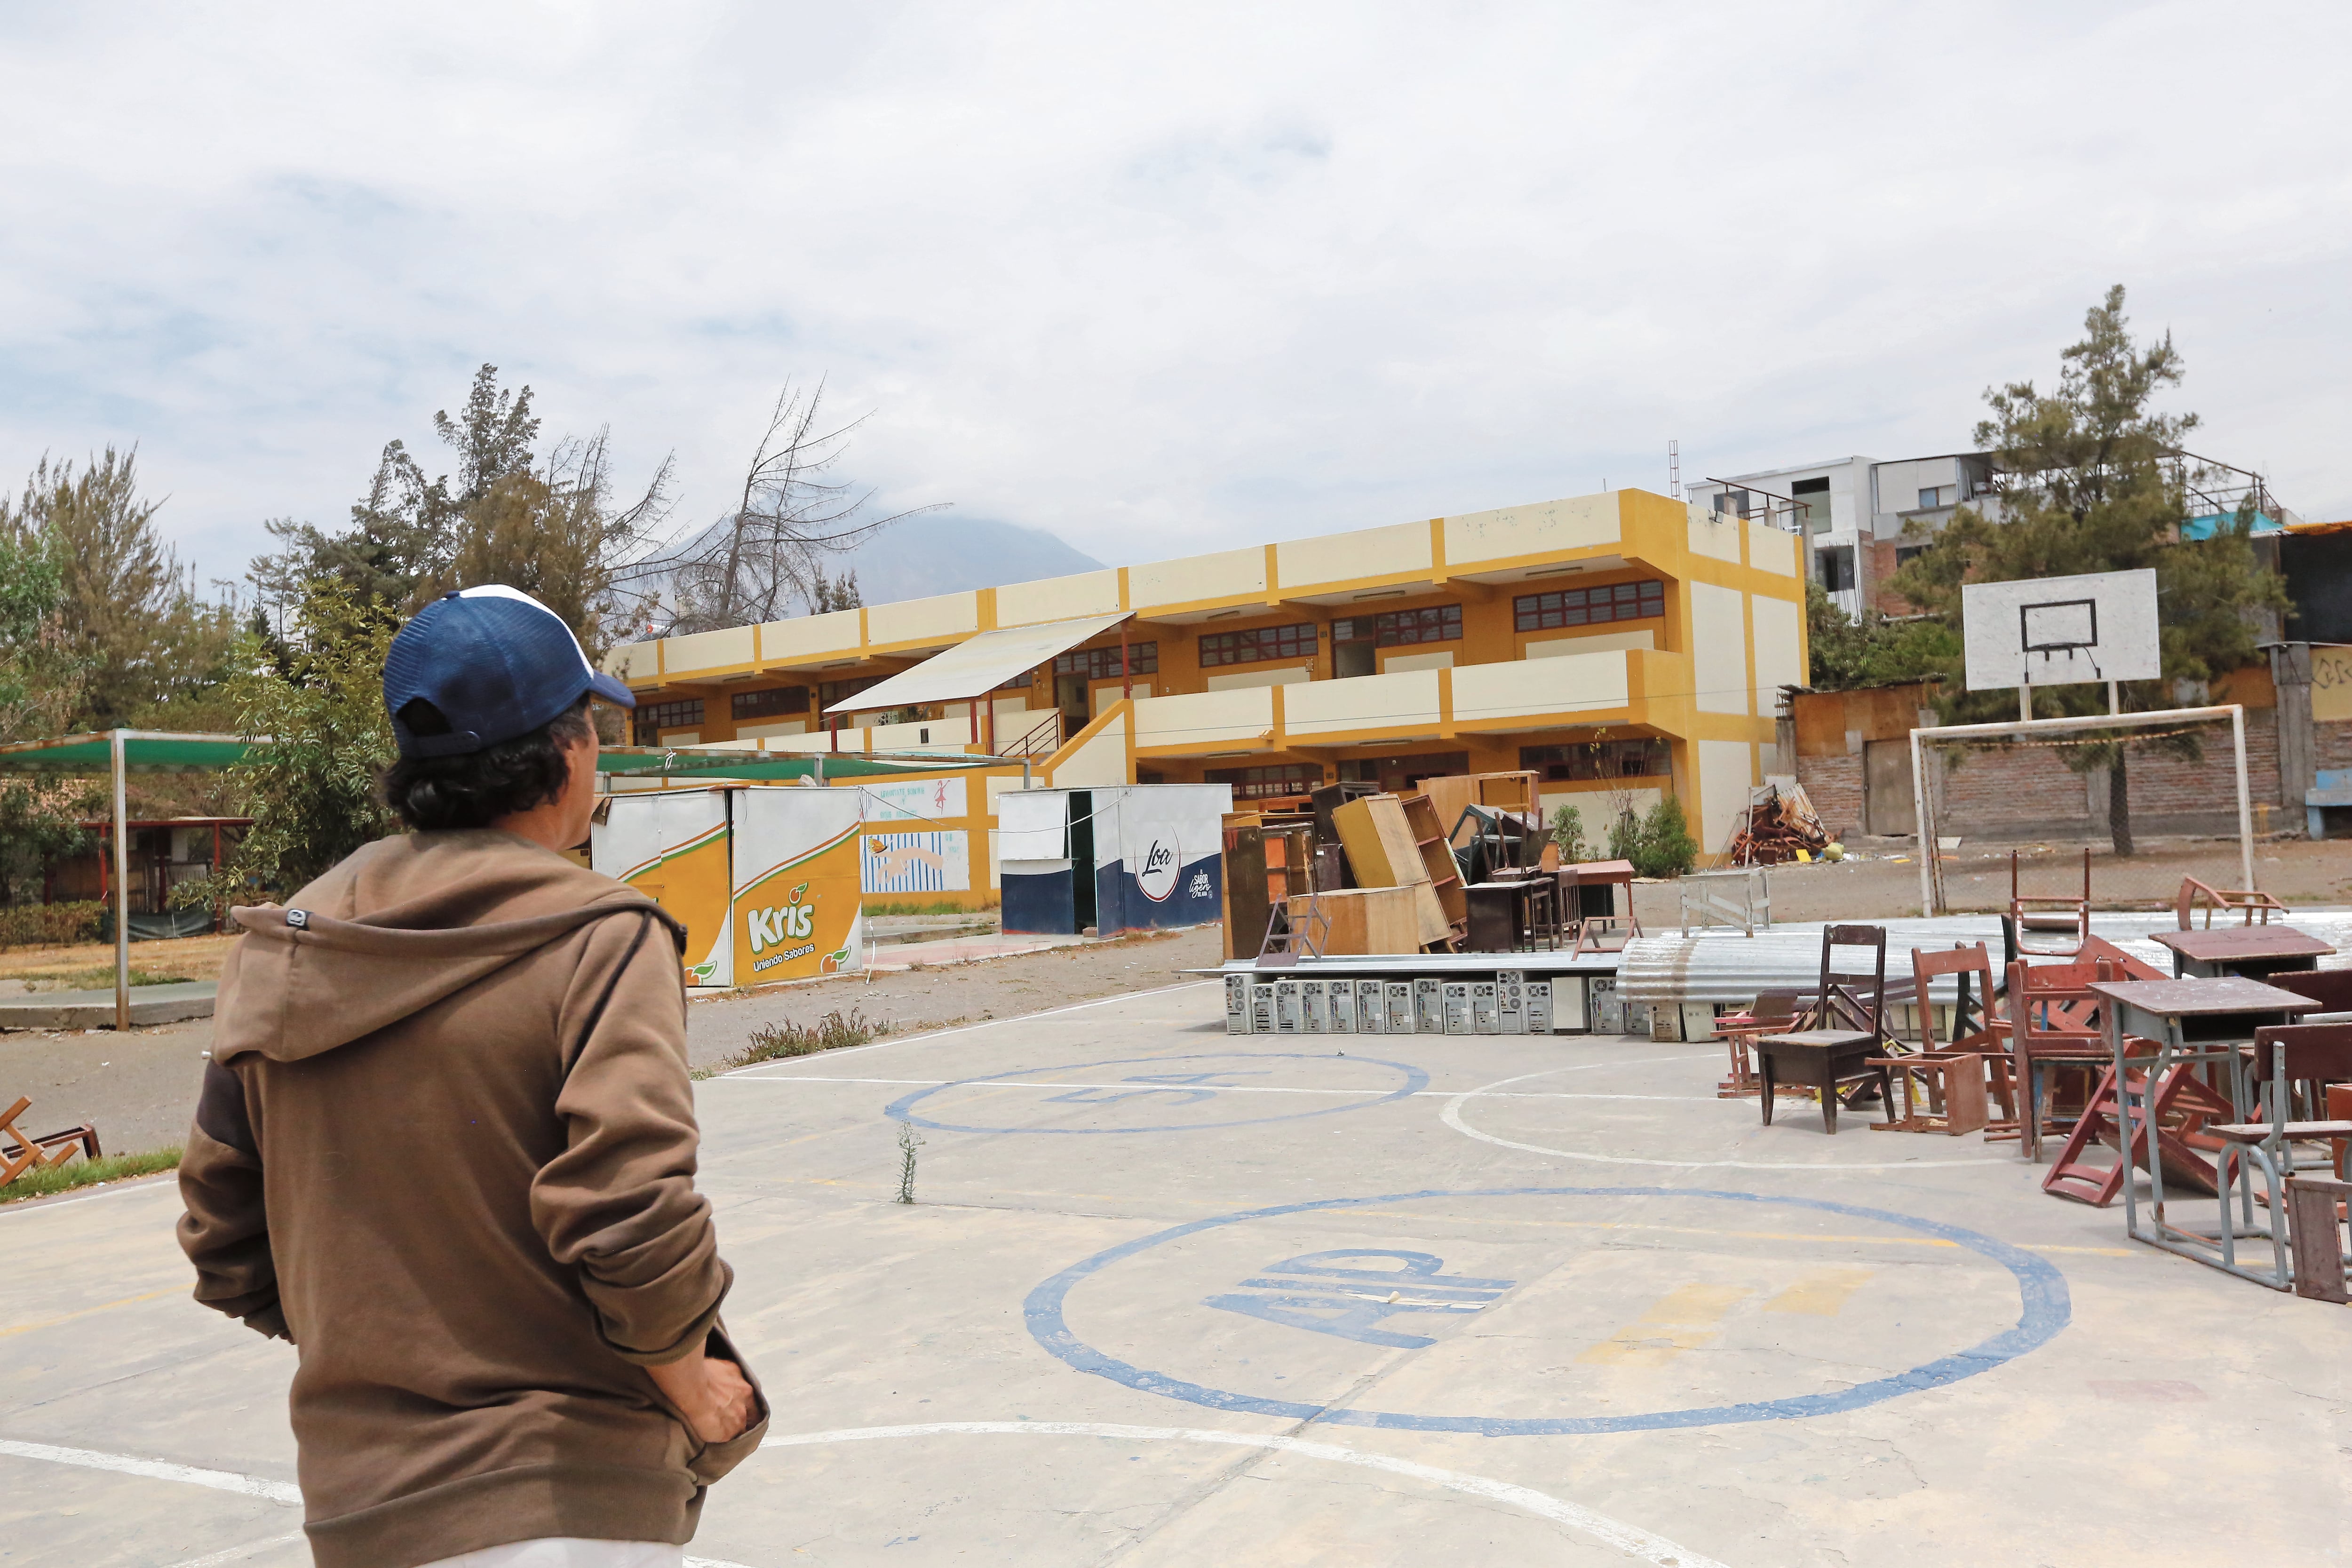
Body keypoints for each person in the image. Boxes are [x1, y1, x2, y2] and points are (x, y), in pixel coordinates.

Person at [179, 585, 766, 1568]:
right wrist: (691, 1381)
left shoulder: (281, 951)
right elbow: (630, 1214)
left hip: (365, 1511)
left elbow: (222, 1236)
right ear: (566, 751)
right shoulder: (602, 937)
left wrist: (377, 1341)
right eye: (594, 727)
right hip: (567, 1497)